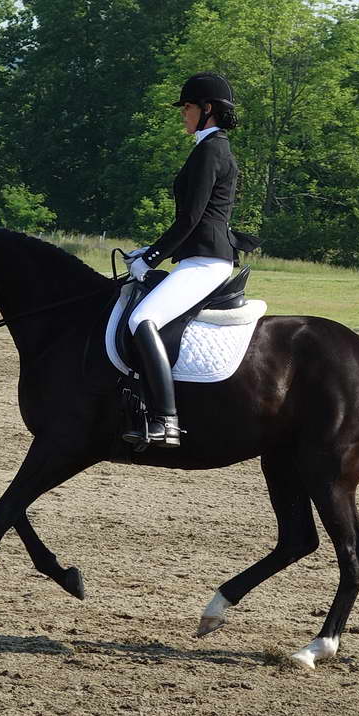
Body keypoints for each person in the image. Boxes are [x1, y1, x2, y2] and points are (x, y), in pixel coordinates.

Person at [123, 72, 240, 448]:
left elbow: (190, 218)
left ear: (207, 110)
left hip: (206, 260)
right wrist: (149, 251)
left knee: (143, 319)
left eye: (187, 107)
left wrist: (153, 257)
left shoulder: (211, 150)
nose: (183, 114)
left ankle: (166, 420)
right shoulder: (210, 147)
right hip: (198, 256)